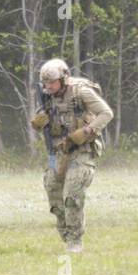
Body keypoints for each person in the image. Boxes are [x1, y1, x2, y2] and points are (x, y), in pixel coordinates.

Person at [30, 58, 112, 254]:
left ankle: (75, 241)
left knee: (72, 194)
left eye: (52, 82)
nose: (48, 86)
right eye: (45, 83)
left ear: (64, 78)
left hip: (82, 151)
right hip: (58, 152)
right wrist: (39, 121)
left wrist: (85, 132)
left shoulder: (80, 92)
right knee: (52, 190)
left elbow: (106, 113)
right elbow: (41, 120)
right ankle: (66, 234)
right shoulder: (47, 96)